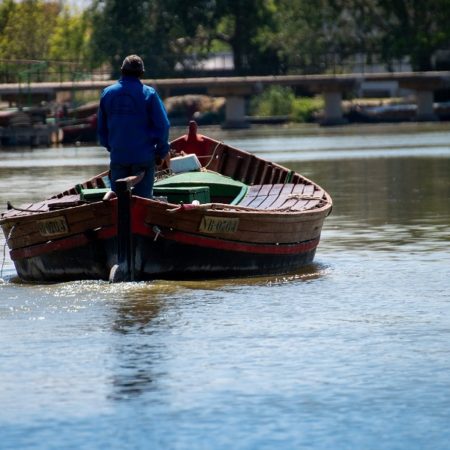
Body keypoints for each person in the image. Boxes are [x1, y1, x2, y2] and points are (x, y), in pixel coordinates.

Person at [97, 54, 170, 198]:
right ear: (141, 73)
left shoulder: (107, 94)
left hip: (119, 157)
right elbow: (163, 126)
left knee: (117, 201)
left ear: (122, 71)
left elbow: (101, 129)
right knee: (142, 201)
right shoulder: (149, 94)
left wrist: (111, 146)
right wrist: (161, 152)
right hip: (143, 158)